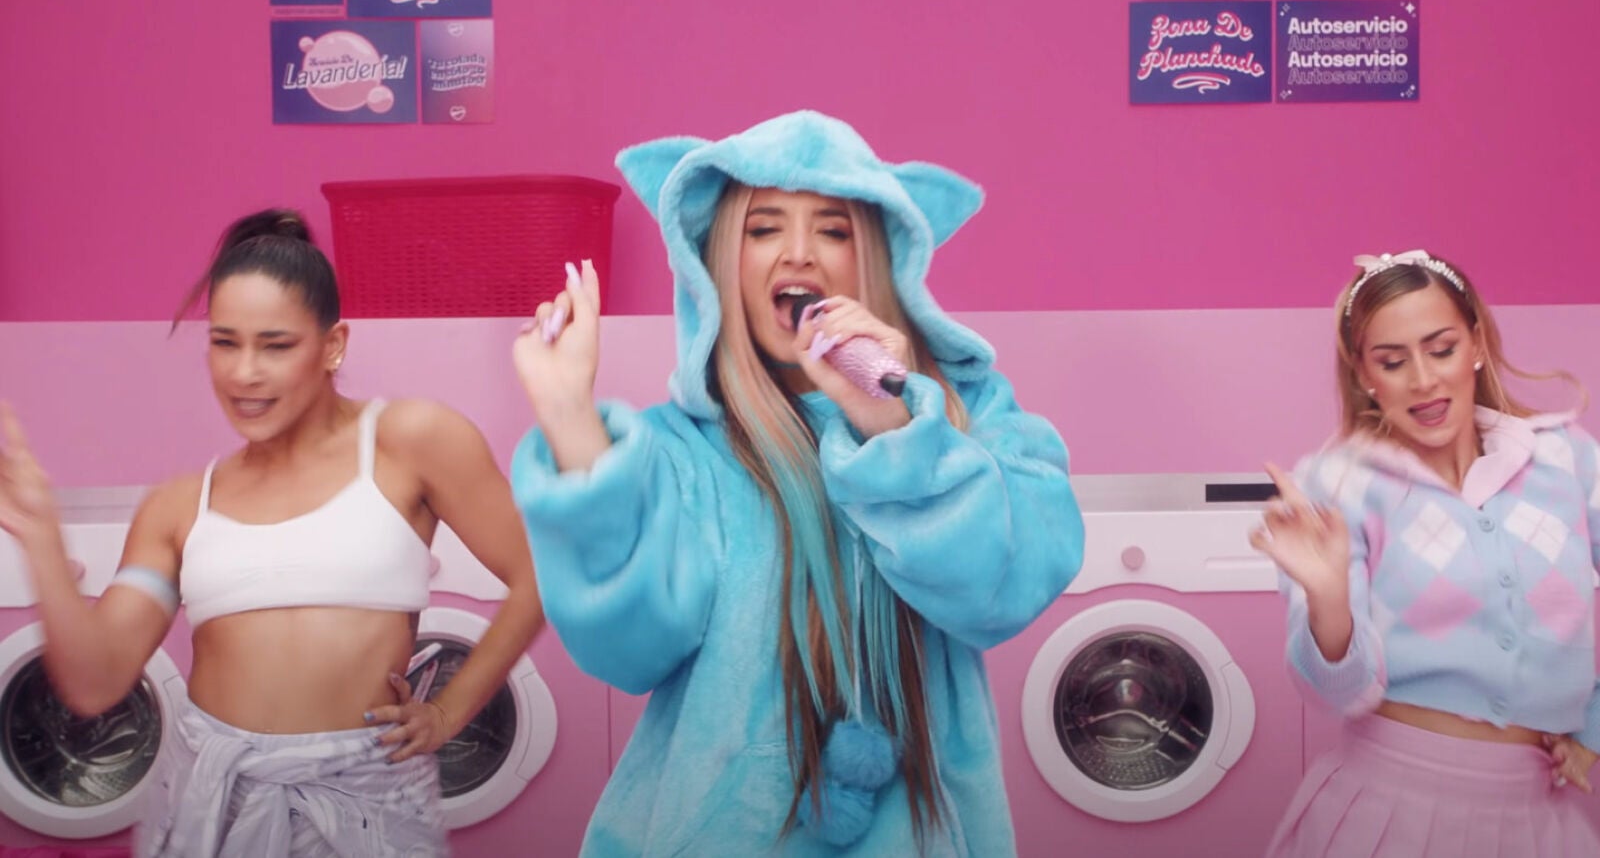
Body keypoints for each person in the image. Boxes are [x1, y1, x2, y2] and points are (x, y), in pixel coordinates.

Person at [508, 110, 1084, 856]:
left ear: (875, 257)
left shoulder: (965, 416)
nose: (800, 253)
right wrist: (569, 420)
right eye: (764, 228)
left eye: (834, 231)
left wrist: (890, 422)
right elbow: (628, 654)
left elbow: (1000, 594)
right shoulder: (678, 451)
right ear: (721, 262)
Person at [0, 209, 545, 857]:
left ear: (333, 345)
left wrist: (449, 712)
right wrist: (40, 537)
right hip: (212, 808)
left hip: (367, 806)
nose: (244, 373)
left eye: (276, 345)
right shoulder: (178, 506)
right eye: (225, 342)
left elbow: (538, 575)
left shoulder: (412, 442)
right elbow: (95, 684)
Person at [1252, 250, 1600, 856]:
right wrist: (1328, 599)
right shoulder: (1337, 483)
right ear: (1364, 373)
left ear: (1476, 345)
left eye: (1441, 349)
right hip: (1386, 812)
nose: (1422, 380)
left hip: (1539, 817)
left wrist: (1594, 724)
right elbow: (1335, 694)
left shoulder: (1566, 458)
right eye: (1392, 361)